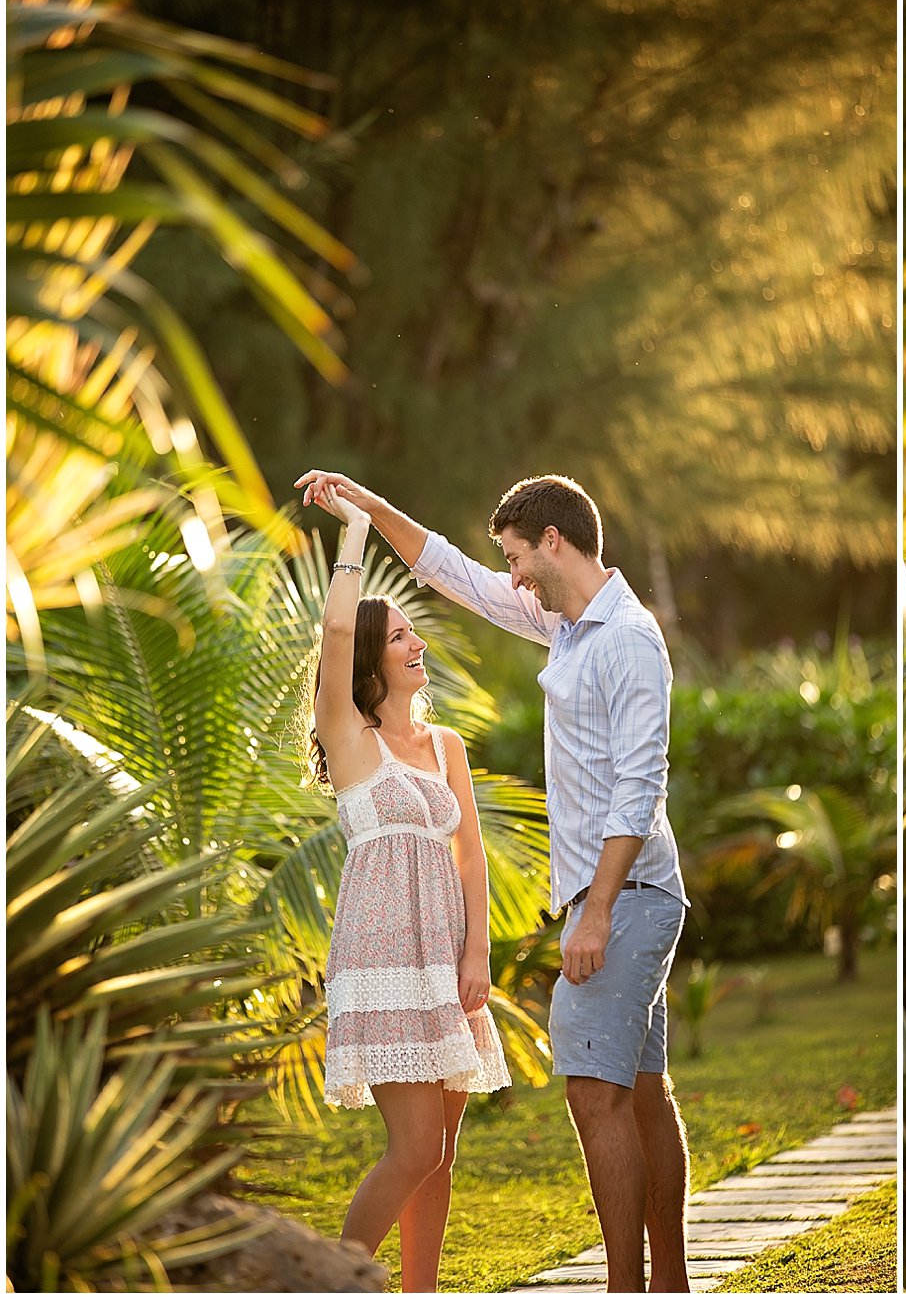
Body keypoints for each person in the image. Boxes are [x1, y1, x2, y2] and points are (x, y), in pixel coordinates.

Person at [296, 467, 691, 1294]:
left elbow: (639, 784)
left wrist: (590, 913)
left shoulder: (623, 637)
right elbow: (451, 571)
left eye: (516, 555)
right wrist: (367, 512)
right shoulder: (567, 624)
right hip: (536, 911)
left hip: (618, 895)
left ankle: (633, 1287)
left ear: (553, 542)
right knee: (642, 1090)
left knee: (590, 1089)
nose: (510, 575)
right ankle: (668, 1283)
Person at [305, 483, 510, 1291]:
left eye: (411, 629)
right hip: (383, 955)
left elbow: (471, 856)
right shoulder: (350, 737)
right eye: (396, 636)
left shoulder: (446, 743)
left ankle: (421, 1291)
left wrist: (477, 955)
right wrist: (357, 530)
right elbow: (331, 628)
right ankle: (335, 1282)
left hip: (445, 960)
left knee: (443, 1151)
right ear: (369, 658)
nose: (415, 642)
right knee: (415, 1143)